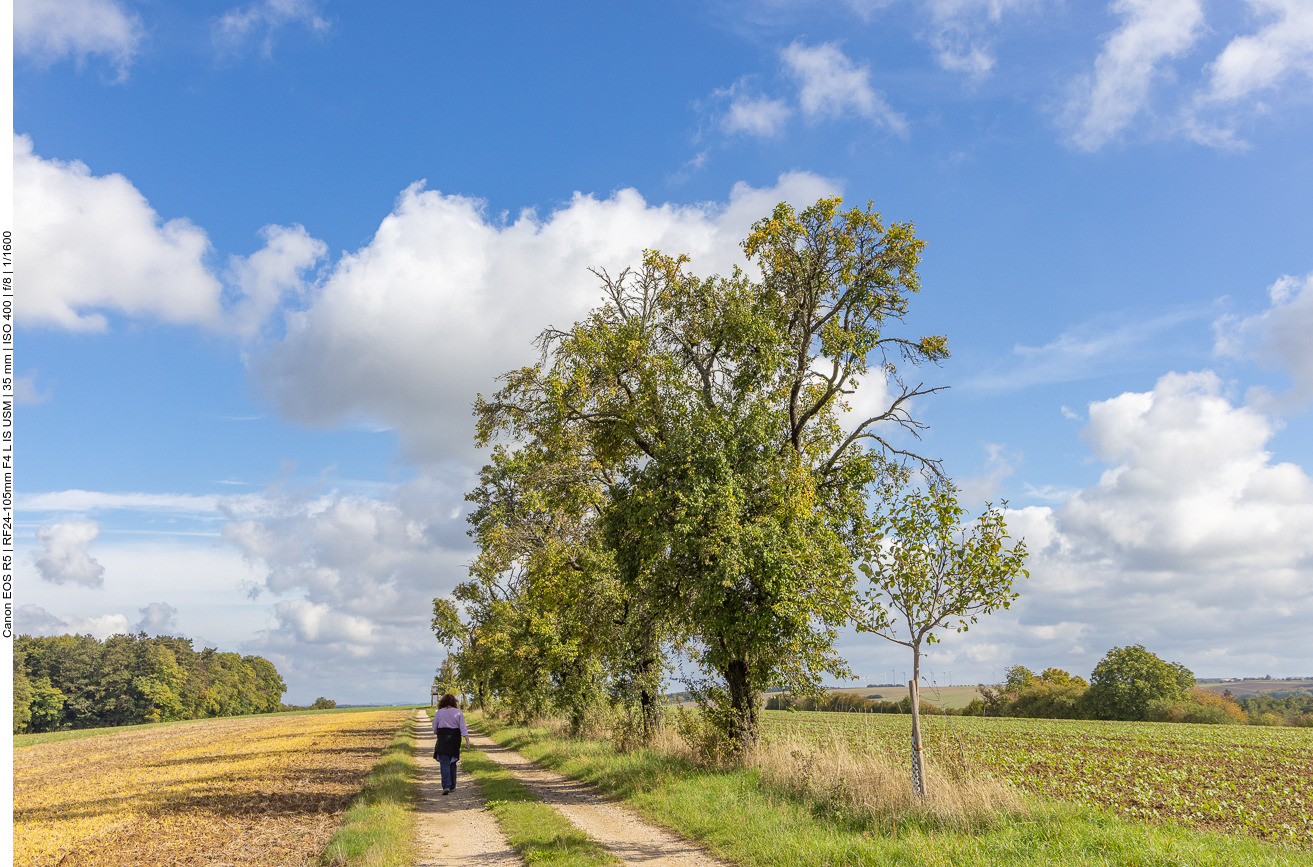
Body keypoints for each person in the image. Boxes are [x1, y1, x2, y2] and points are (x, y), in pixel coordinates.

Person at [432, 693, 471, 795]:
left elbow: (434, 728)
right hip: (455, 739)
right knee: (453, 761)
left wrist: (438, 733)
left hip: (443, 738)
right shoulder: (458, 712)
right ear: (454, 702)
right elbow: (463, 727)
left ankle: (446, 786)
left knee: (444, 763)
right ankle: (453, 786)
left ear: (442, 702)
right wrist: (467, 740)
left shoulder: (439, 712)